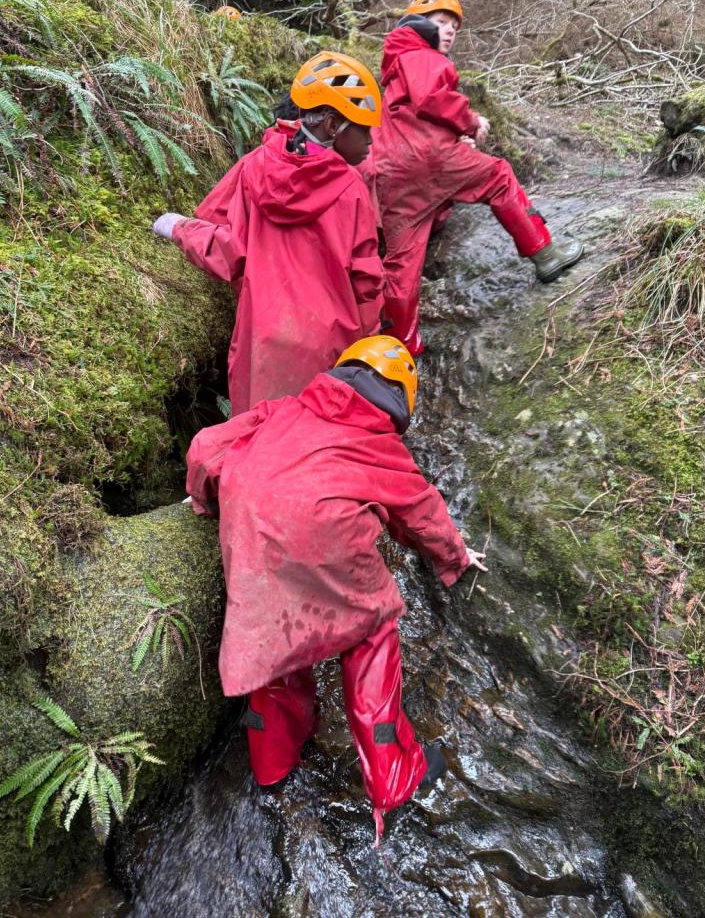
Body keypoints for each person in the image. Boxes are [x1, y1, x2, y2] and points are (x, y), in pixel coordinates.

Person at [184, 335, 487, 840]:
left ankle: (272, 770)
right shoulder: (380, 445)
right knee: (371, 639)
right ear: (401, 398)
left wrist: (207, 500)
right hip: (332, 555)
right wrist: (455, 557)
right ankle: (393, 778)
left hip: (256, 552)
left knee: (272, 652)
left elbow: (204, 449)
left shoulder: (280, 411)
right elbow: (423, 514)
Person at [152, 51, 385, 415]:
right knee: (312, 441)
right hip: (329, 352)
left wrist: (179, 228)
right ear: (333, 124)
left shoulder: (254, 167)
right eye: (365, 128)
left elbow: (228, 250)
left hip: (260, 347)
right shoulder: (352, 190)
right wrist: (368, 350)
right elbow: (366, 283)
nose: (371, 141)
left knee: (254, 439)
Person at [363, 0, 584, 356]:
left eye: (454, 25)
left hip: (393, 174)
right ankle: (545, 254)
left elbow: (412, 118)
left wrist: (451, 137)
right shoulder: (422, 55)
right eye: (440, 22)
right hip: (430, 159)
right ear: (417, 24)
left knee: (401, 263)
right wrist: (470, 122)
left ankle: (401, 346)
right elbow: (432, 98)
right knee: (498, 176)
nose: (449, 30)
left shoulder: (396, 64)